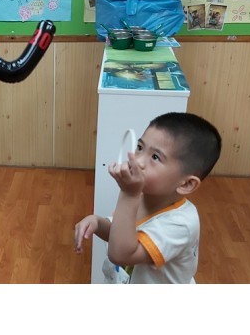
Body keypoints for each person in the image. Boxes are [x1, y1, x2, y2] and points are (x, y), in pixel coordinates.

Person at [74, 112, 221, 283]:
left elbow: (121, 254)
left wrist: (129, 194)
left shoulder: (181, 224)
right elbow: (120, 236)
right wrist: (98, 223)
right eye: (140, 147)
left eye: (155, 157)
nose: (138, 161)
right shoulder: (143, 195)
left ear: (186, 184)